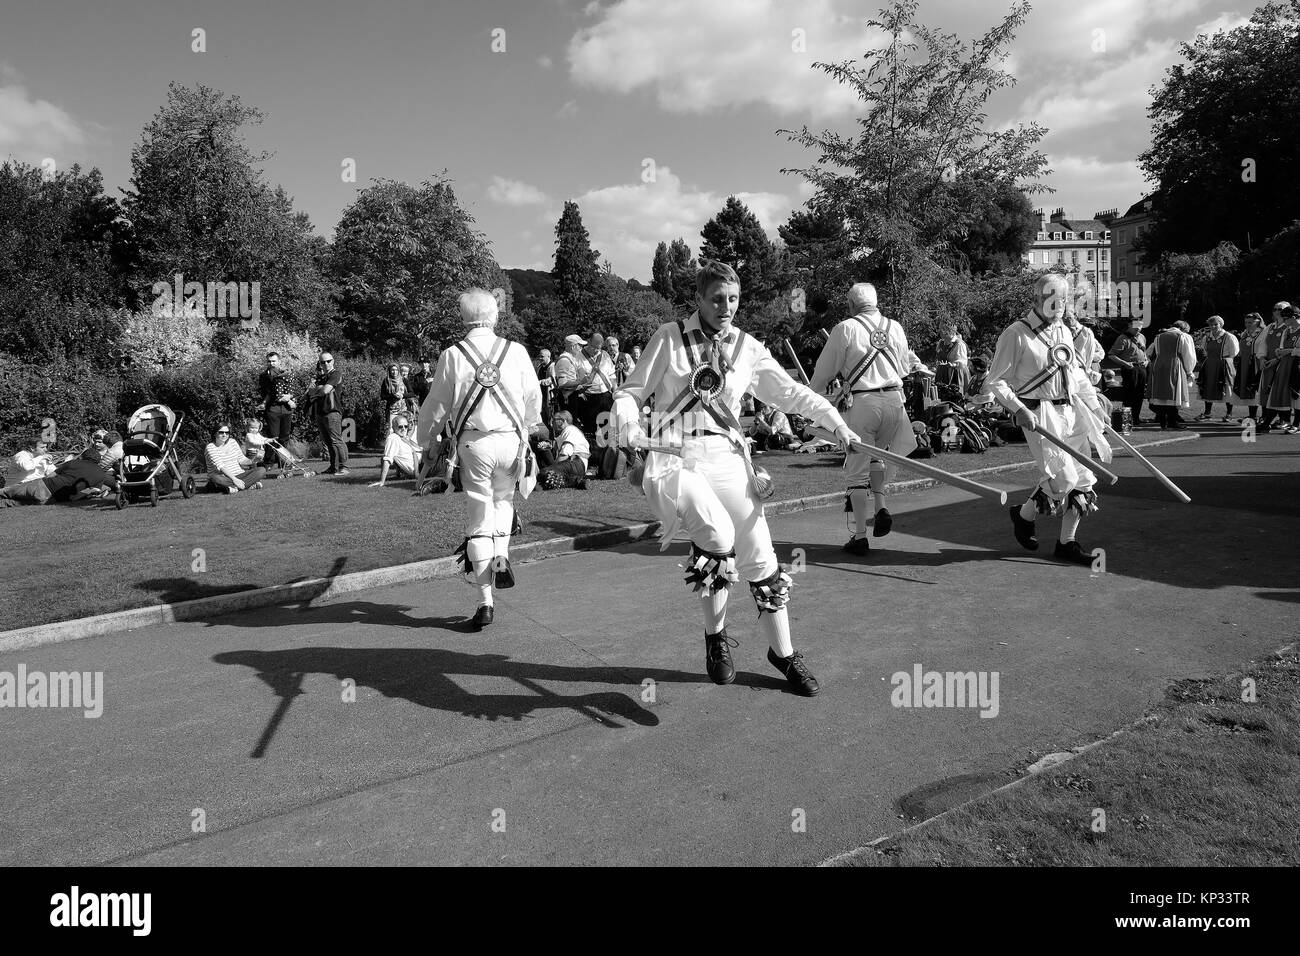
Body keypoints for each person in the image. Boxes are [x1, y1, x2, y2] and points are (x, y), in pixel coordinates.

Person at [612, 260, 860, 697]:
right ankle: (716, 637)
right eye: (717, 299)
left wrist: (836, 422)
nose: (726, 307)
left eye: (733, 299)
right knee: (716, 536)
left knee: (761, 559)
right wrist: (627, 425)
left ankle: (782, 653)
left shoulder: (747, 347)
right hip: (677, 458)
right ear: (699, 299)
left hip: (729, 457)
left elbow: (789, 392)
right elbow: (631, 392)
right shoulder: (669, 339)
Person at [416, 288, 543, 630]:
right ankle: (502, 552)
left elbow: (436, 405)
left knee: (478, 514)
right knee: (504, 501)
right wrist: (529, 426)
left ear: (463, 317)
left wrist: (427, 440)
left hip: (475, 444)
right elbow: (534, 395)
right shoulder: (515, 351)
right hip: (512, 443)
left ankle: (485, 602)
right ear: (495, 315)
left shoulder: (453, 355)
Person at [984, 273, 1112, 565]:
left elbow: (1077, 376)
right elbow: (996, 381)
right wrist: (1018, 408)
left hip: (1072, 411)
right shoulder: (1016, 333)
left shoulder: (1065, 332)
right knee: (1061, 479)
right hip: (1039, 414)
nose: (1058, 305)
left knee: (1083, 481)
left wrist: (1094, 405)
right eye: (1051, 299)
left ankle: (1067, 543)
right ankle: (1024, 515)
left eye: (1063, 300)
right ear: (1037, 299)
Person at [809, 282, 918, 555]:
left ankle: (859, 536)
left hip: (864, 402)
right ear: (876, 301)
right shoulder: (896, 327)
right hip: (895, 401)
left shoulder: (845, 328)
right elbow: (904, 366)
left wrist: (811, 398)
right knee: (878, 457)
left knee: (857, 470)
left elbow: (823, 372)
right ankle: (881, 506)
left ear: (851, 304)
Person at [0, 456, 119, 507]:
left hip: (43, 485)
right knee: (10, 504)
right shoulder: (100, 474)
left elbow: (52, 475)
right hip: (53, 499)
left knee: (6, 492)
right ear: (97, 461)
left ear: (83, 457)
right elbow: (89, 491)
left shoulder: (74, 462)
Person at [1146, 321, 1197, 429]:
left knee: (1161, 393)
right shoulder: (1183, 336)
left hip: (1158, 365)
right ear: (1183, 329)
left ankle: (1162, 421)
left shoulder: (1159, 336)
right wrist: (1189, 371)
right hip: (1174, 364)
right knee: (1174, 392)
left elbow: (1149, 352)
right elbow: (1189, 355)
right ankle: (1172, 422)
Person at [308, 352, 349, 476]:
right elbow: (310, 392)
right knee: (328, 441)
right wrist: (319, 388)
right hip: (320, 412)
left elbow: (325, 390)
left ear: (333, 361)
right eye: (322, 362)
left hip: (332, 412)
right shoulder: (321, 377)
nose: (326, 364)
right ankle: (333, 467)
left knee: (336, 441)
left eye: (328, 361)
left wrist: (318, 389)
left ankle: (344, 467)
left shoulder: (336, 374)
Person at [1254, 302, 1292, 432]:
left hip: (1283, 364)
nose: (1277, 311)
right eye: (1275, 309)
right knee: (1266, 391)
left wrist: (1277, 359)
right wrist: (1262, 358)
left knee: (1281, 392)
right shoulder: (1270, 327)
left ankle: (1284, 420)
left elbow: (1289, 347)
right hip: (1268, 364)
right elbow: (1262, 344)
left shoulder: (1290, 327)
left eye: (1280, 309)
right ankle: (1266, 418)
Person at [1262, 304, 1300, 432]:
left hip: (1297, 366)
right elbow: (1283, 348)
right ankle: (1267, 423)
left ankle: (1296, 425)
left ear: (1294, 317)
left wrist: (1289, 351)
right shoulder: (1287, 331)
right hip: (1284, 365)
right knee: (1277, 392)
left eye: (1286, 318)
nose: (1284, 321)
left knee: (1297, 395)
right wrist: (1280, 352)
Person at [1193, 316, 1239, 421]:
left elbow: (1234, 352)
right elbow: (1204, 349)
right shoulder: (1207, 337)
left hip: (1224, 363)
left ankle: (1229, 414)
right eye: (1211, 325)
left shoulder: (1229, 337)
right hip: (1210, 364)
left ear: (1221, 324)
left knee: (1226, 388)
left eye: (1215, 324)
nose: (1213, 327)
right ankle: (1207, 413)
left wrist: (1224, 360)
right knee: (1208, 386)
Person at [1105, 318, 1150, 424]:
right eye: (1136, 326)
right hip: (1130, 369)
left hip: (1142, 368)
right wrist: (1125, 363)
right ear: (1129, 326)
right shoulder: (1123, 338)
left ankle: (1136, 418)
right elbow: (1111, 355)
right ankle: (1127, 419)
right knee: (1129, 395)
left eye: (1140, 326)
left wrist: (1146, 361)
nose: (1138, 328)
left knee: (1139, 394)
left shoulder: (1142, 337)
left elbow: (1145, 354)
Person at [204, 423, 266, 494]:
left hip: (240, 475)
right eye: (221, 432)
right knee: (215, 478)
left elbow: (242, 460)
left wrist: (254, 460)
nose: (224, 435)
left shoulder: (232, 442)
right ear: (215, 433)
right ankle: (247, 485)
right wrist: (234, 479)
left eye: (227, 433)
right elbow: (221, 467)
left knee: (261, 470)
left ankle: (231, 488)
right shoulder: (210, 447)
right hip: (224, 477)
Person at [536, 409, 590, 489]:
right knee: (549, 476)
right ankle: (578, 483)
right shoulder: (569, 431)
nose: (552, 423)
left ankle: (576, 482)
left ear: (562, 421)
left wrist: (553, 468)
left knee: (544, 472)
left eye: (554, 420)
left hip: (575, 463)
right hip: (578, 466)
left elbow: (565, 454)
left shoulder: (569, 430)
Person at [258, 352, 295, 459]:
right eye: (269, 361)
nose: (271, 363)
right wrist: (287, 399)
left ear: (279, 361)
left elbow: (292, 389)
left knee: (284, 437)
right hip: (273, 409)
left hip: (286, 410)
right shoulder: (264, 376)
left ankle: (283, 462)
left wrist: (289, 397)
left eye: (274, 361)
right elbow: (269, 392)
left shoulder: (286, 374)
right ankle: (269, 462)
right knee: (273, 437)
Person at [1230, 313, 1265, 423]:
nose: (1247, 324)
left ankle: (1264, 417)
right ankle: (1252, 415)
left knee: (1256, 388)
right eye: (1246, 322)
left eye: (1250, 322)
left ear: (1258, 321)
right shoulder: (1245, 333)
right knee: (1247, 387)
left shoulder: (1263, 332)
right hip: (1245, 362)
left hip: (1256, 362)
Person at [368, 415, 422, 486]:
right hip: (423, 466)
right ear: (394, 427)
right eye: (400, 427)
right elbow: (387, 459)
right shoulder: (393, 438)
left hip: (423, 464)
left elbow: (415, 452)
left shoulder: (403, 437)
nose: (403, 429)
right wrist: (382, 481)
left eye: (405, 426)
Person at [553, 334, 593, 425]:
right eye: (580, 345)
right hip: (567, 399)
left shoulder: (572, 358)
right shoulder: (564, 360)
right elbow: (562, 384)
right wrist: (581, 382)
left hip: (572, 396)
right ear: (573, 346)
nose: (581, 348)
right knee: (569, 425)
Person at [934, 326, 970, 397]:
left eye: (943, 330)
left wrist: (953, 364)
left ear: (950, 332)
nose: (940, 332)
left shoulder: (959, 344)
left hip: (955, 373)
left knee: (954, 395)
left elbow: (963, 363)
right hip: (942, 372)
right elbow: (938, 356)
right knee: (941, 393)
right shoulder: (941, 342)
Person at [380, 364, 408, 432]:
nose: (394, 372)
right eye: (392, 370)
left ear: (398, 371)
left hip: (403, 409)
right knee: (391, 429)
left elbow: (411, 393)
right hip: (392, 410)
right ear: (389, 371)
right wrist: (393, 395)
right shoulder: (386, 381)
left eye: (396, 370)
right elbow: (382, 396)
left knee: (403, 430)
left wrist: (402, 395)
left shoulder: (403, 380)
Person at [534, 349, 555, 427]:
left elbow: (552, 380)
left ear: (548, 356)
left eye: (542, 356)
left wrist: (539, 382)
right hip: (540, 395)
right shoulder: (539, 367)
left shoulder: (552, 366)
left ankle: (552, 434)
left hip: (549, 396)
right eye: (539, 356)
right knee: (542, 415)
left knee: (550, 416)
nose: (540, 358)